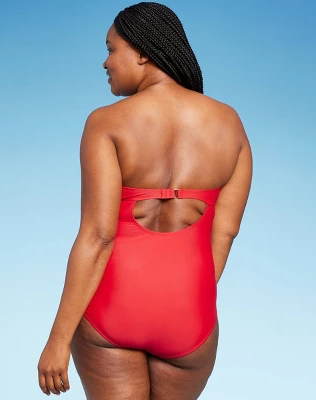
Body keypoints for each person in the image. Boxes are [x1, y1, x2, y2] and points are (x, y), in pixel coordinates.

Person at [37, 2, 252, 399]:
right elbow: (225, 233)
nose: (105, 62)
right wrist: (182, 303)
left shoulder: (106, 122)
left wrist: (57, 340)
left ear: (142, 52)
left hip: (111, 308)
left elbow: (98, 236)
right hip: (189, 316)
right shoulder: (230, 125)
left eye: (111, 49)